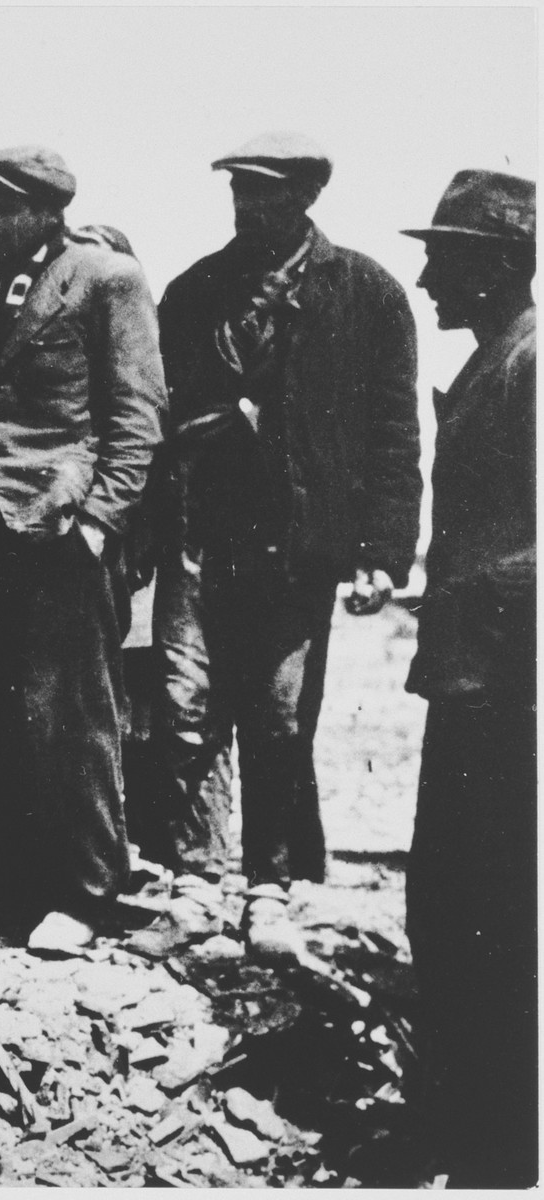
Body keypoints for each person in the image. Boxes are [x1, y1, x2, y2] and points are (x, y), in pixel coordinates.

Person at [128, 134, 420, 960]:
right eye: (238, 192)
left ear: (305, 197)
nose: (248, 207)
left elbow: (394, 436)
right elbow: (155, 423)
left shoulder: (366, 294)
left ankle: (268, 891)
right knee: (185, 714)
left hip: (297, 550)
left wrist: (382, 550)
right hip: (199, 538)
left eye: (265, 193)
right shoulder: (194, 292)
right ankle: (191, 887)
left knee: (280, 720)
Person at [0, 146, 166, 954]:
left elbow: (136, 415)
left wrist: (100, 522)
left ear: (46, 210)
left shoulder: (104, 278)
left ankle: (84, 893)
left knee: (73, 718)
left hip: (63, 531)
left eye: (5, 207)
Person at [399, 169, 535, 1187]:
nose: (425, 274)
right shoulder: (502, 358)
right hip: (474, 678)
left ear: (493, 267)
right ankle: (461, 1127)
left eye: (443, 256)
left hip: (508, 690)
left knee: (483, 911)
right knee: (450, 907)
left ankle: (494, 1148)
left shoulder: (530, 366)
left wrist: (466, 597)